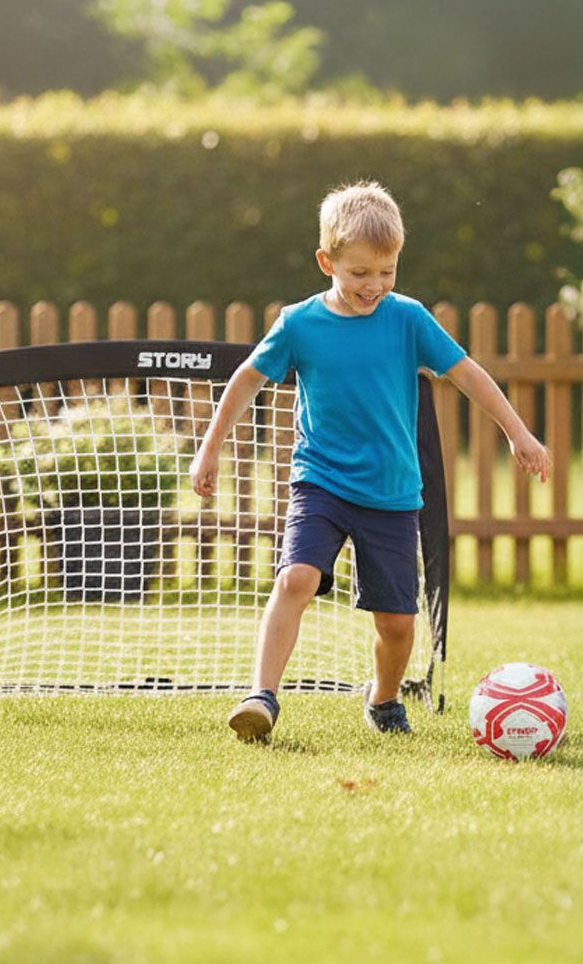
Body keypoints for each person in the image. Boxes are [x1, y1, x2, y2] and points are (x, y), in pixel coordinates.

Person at [190, 181, 550, 741]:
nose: (374, 285)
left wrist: (518, 432)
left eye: (387, 271)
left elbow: (466, 373)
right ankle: (261, 697)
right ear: (326, 262)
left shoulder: (408, 319)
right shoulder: (299, 323)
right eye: (360, 272)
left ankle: (383, 698)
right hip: (321, 482)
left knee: (398, 624)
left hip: (392, 493)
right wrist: (210, 447)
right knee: (296, 578)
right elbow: (246, 379)